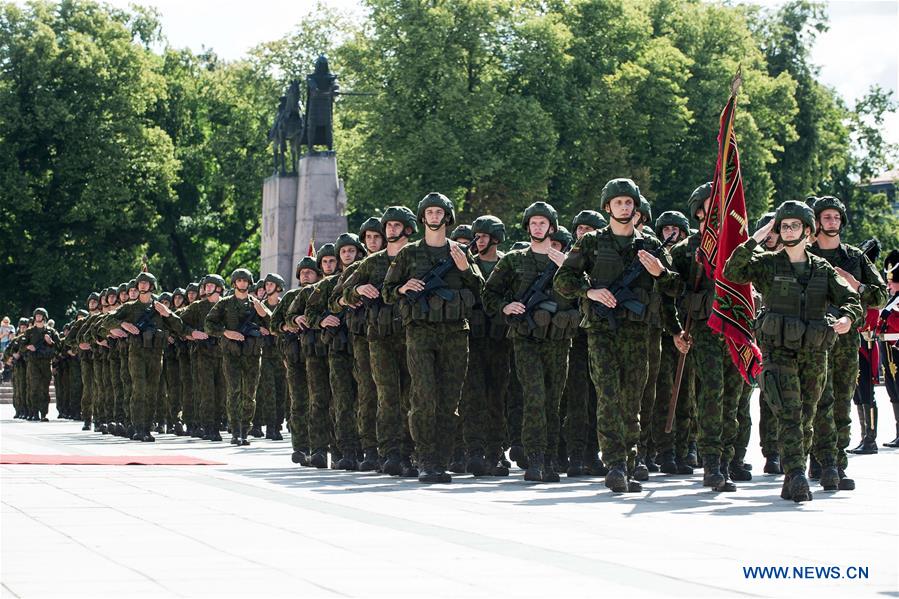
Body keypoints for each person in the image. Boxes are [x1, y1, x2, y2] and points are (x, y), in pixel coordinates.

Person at [724, 200, 862, 502]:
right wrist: (756, 237)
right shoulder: (768, 264)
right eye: (784, 225)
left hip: (814, 353)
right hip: (779, 352)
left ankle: (794, 473)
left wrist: (846, 319)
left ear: (808, 231)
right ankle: (797, 473)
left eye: (794, 225)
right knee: (789, 413)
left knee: (808, 414)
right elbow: (732, 270)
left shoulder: (822, 269)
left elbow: (852, 299)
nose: (788, 230)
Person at [554, 178, 678, 494]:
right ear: (607, 207)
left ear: (635, 208)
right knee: (608, 396)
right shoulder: (592, 242)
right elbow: (563, 280)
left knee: (632, 401)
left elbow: (676, 289)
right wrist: (590, 291)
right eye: (618, 202)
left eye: (628, 202)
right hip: (602, 331)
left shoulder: (649, 246)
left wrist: (660, 274)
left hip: (637, 333)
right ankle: (615, 464)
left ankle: (630, 460)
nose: (624, 207)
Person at [383, 192, 484, 483]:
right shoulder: (409, 253)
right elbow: (387, 291)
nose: (435, 217)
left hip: (454, 332)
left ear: (447, 217)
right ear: (423, 217)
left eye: (440, 212)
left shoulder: (460, 253)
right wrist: (403, 288)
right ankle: (425, 458)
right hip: (421, 333)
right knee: (424, 396)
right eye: (430, 212)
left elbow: (481, 292)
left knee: (449, 400)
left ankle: (441, 459)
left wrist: (465, 269)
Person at [484, 202, 578, 483]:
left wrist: (569, 270)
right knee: (534, 397)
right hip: (525, 338)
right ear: (528, 227)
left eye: (543, 223)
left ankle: (550, 458)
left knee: (553, 400)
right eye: (534, 223)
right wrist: (506, 305)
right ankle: (535, 458)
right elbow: (489, 294)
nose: (538, 227)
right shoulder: (513, 260)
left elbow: (585, 294)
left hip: (558, 341)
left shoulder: (568, 260)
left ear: (552, 227)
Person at [807, 196, 887, 485]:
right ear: (817, 221)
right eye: (826, 217)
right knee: (815, 400)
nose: (832, 222)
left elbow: (880, 294)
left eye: (836, 217)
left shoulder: (855, 258)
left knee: (841, 401)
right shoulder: (803, 255)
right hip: (810, 339)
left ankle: (837, 463)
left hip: (845, 341)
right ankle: (817, 459)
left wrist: (856, 285)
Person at [342, 206, 419, 477]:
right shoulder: (371, 263)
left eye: (397, 226)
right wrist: (356, 290)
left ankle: (411, 452)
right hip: (379, 338)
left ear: (408, 229)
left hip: (413, 336)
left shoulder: (418, 257)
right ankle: (388, 453)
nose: (391, 230)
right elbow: (338, 298)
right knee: (386, 396)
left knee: (413, 396)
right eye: (388, 226)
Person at [102, 272, 194, 441]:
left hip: (156, 354)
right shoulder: (129, 308)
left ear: (152, 286)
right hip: (136, 353)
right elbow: (106, 321)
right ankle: (137, 427)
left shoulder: (158, 308)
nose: (143, 286)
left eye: (146, 283)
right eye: (140, 283)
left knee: (152, 391)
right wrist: (123, 324)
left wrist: (167, 314)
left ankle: (147, 427)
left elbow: (179, 327)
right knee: (139, 389)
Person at [204, 269, 272, 446]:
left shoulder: (256, 304)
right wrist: (226, 332)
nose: (242, 283)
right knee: (234, 392)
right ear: (234, 283)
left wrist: (263, 314)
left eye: (245, 281)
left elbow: (274, 324)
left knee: (249, 394)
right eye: (239, 280)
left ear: (249, 283)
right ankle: (235, 431)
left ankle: (245, 429)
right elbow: (209, 324)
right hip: (231, 353)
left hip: (252, 353)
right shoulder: (225, 304)